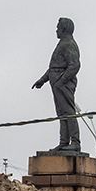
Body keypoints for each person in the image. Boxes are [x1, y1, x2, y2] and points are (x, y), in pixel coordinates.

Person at [31, 17, 82, 153]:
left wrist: (61, 81)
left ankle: (75, 142)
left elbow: (75, 65)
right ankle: (64, 142)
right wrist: (42, 80)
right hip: (57, 82)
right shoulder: (62, 43)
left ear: (64, 29)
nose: (56, 30)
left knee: (68, 112)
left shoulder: (68, 44)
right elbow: (53, 67)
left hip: (63, 83)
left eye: (58, 28)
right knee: (61, 113)